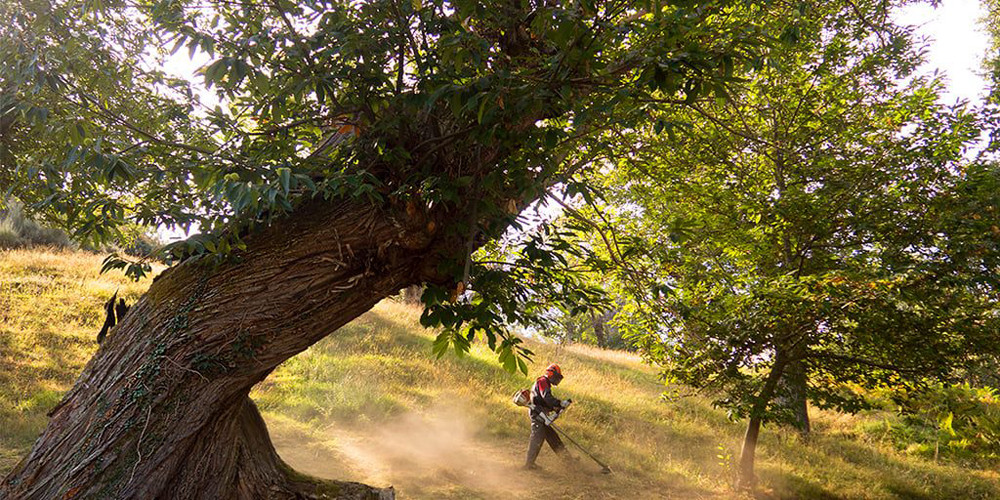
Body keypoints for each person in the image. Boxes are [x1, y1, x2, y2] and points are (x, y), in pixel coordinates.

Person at [524, 363, 573, 469]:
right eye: (556, 377)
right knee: (537, 439)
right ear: (551, 374)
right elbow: (546, 397)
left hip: (542, 415)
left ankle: (569, 463)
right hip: (538, 415)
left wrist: (554, 407)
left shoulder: (545, 383)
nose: (557, 380)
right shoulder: (542, 381)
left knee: (554, 439)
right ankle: (529, 464)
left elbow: (544, 401)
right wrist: (559, 403)